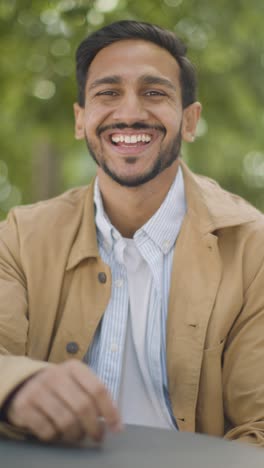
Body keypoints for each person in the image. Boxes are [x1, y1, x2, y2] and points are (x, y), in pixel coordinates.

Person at [0, 20, 264, 447]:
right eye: (107, 93)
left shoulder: (253, 249)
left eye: (154, 92)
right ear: (81, 120)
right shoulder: (18, 237)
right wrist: (18, 384)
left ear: (190, 120)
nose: (129, 112)